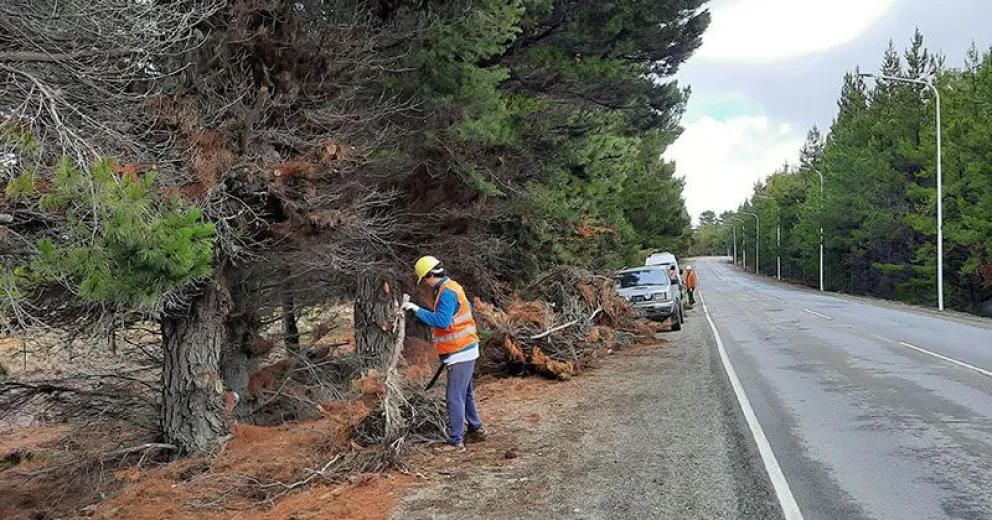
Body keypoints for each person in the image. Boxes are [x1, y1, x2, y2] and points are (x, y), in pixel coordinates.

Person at [402, 256, 488, 454]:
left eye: (424, 279)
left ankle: (456, 441)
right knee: (464, 393)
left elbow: (442, 322)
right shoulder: (450, 287)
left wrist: (416, 310)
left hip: (460, 351)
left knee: (453, 397)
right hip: (464, 349)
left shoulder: (447, 293)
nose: (424, 283)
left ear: (430, 275)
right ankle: (476, 429)